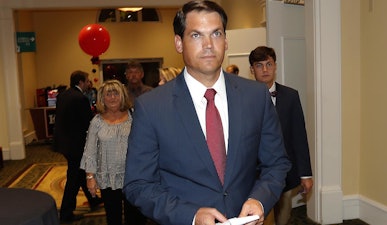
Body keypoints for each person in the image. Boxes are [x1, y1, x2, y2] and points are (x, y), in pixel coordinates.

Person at [123, 1, 291, 225]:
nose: (209, 44)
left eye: (216, 33)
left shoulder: (256, 96)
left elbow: (277, 163)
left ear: (226, 40)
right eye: (196, 35)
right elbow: (139, 184)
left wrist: (259, 200)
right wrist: (190, 216)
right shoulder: (151, 107)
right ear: (178, 43)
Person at [249, 46, 313, 225]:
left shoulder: (291, 96)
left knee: (283, 219)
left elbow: (299, 136)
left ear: (275, 66)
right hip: (254, 176)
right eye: (259, 65)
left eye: (269, 64)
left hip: (284, 173)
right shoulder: (242, 98)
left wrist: (305, 174)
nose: (265, 69)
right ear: (252, 69)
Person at [80, 79, 143, 225]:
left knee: (135, 217)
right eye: (108, 94)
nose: (113, 97)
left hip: (133, 177)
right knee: (113, 217)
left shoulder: (134, 117)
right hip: (108, 177)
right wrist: (90, 177)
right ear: (102, 98)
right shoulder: (96, 121)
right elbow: (90, 151)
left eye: (116, 93)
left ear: (122, 96)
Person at [54, 70, 102, 223]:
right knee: (73, 179)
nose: (89, 83)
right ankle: (66, 214)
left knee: (80, 174)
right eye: (87, 80)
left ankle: (93, 200)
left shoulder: (63, 95)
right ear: (81, 82)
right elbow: (88, 121)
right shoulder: (80, 98)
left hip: (64, 142)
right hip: (76, 145)